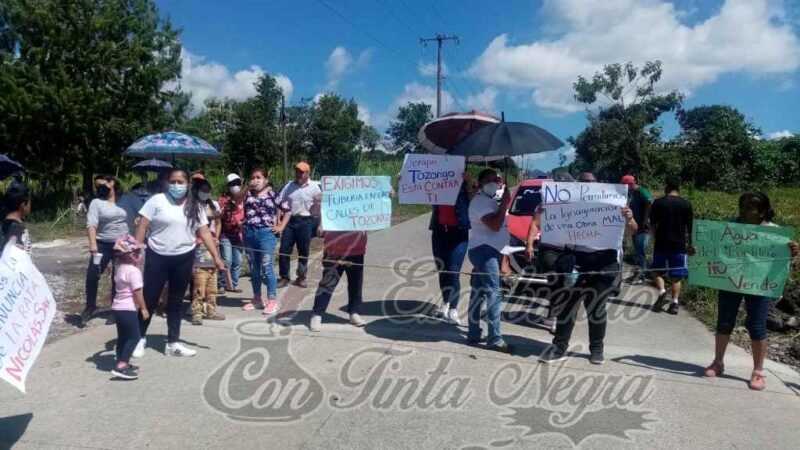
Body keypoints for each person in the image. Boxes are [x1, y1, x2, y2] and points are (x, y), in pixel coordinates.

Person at [539, 171, 639, 365]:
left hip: (603, 261)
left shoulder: (613, 202)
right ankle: (559, 347)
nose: (588, 184)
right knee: (568, 305)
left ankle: (596, 349)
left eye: (591, 181)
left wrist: (629, 217)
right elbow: (550, 225)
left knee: (597, 308)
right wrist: (546, 212)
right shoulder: (567, 202)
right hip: (576, 260)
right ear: (577, 184)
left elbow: (632, 230)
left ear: (598, 183)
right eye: (584, 181)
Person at [702, 192, 799, 391]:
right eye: (742, 206)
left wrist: (793, 252)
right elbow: (712, 248)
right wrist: (697, 251)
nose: (743, 211)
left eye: (749, 207)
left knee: (757, 324)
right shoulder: (730, 226)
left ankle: (758, 372)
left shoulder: (775, 233)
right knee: (724, 321)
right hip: (731, 281)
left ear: (762, 211)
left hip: (759, 285)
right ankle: (718, 362)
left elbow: (782, 261)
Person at [133, 169, 224, 358]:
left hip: (183, 257)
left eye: (180, 181)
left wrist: (216, 256)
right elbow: (142, 226)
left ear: (188, 184)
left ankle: (173, 342)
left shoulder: (195, 206)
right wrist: (135, 250)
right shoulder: (156, 201)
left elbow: (205, 232)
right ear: (167, 183)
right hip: (157, 256)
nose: (177, 185)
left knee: (176, 301)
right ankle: (139, 337)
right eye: (173, 181)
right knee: (149, 298)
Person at [230, 168, 290, 315]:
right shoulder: (248, 193)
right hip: (249, 233)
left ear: (266, 179)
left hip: (266, 234)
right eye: (253, 177)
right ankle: (257, 298)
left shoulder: (273, 195)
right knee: (253, 268)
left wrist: (281, 225)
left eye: (259, 177)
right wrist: (247, 188)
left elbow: (288, 210)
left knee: (266, 266)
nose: (256, 180)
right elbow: (237, 200)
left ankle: (272, 300)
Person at [466, 169, 513, 353]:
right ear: (480, 182)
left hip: (488, 250)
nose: (493, 183)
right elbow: (494, 226)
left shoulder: (489, 200)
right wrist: (504, 205)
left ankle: (473, 332)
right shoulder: (480, 201)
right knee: (494, 292)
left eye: (496, 179)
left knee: (477, 293)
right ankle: (495, 339)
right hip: (484, 252)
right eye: (488, 180)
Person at [308, 190, 367, 331]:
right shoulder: (330, 202)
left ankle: (354, 312)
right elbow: (313, 212)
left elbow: (379, 210)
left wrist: (385, 197)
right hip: (334, 250)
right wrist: (318, 201)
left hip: (357, 249)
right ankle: (317, 314)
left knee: (355, 284)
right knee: (328, 282)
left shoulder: (364, 201)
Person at [81, 174, 129, 322]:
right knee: (93, 275)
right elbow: (91, 224)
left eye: (103, 185)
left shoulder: (125, 201)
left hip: (122, 243)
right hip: (102, 243)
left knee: (118, 277)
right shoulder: (96, 202)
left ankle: (115, 309)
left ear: (112, 183)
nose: (100, 188)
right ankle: (90, 307)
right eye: (98, 186)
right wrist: (93, 244)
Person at [430, 172, 475, 325]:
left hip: (459, 232)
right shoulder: (434, 182)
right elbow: (418, 193)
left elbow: (473, 199)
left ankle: (453, 309)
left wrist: (468, 183)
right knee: (442, 269)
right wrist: (405, 182)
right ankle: (446, 302)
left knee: (454, 270)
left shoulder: (464, 185)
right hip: (439, 231)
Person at [650, 176, 693, 315]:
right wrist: (690, 244)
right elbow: (690, 227)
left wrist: (654, 240)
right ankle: (674, 303)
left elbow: (652, 225)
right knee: (677, 275)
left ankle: (663, 293)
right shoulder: (686, 204)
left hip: (661, 243)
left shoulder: (658, 203)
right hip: (679, 245)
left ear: (666, 186)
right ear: (678, 188)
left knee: (656, 270)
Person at [278, 162, 321, 289]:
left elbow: (320, 209)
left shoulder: (314, 187)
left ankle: (301, 277)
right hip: (289, 221)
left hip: (306, 222)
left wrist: (320, 225)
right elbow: (280, 202)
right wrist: (278, 221)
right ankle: (284, 277)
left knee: (304, 251)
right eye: (297, 171)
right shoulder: (289, 186)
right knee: (284, 250)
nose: (298, 174)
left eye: (301, 172)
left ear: (307, 173)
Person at [109, 235, 147, 380]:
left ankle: (120, 360)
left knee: (123, 337)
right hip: (128, 308)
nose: (139, 254)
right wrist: (143, 308)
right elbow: (137, 291)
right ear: (130, 255)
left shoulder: (119, 268)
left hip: (117, 308)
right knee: (134, 337)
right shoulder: (133, 271)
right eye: (137, 252)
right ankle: (122, 365)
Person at [621, 175, 653, 285]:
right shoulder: (632, 193)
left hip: (643, 226)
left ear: (629, 184)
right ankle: (637, 274)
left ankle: (641, 277)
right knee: (637, 251)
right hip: (636, 226)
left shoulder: (641, 191)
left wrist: (646, 218)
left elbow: (650, 201)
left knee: (640, 250)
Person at [217, 173, 245, 292]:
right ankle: (222, 283)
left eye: (237, 183)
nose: (235, 186)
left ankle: (234, 283)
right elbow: (219, 216)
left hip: (239, 234)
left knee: (238, 260)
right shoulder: (223, 200)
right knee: (227, 259)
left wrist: (243, 222)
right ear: (228, 186)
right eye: (233, 184)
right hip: (225, 233)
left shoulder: (245, 199)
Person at [1, 181, 32, 255]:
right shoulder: (17, 229)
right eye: (29, 202)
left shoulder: (4, 224)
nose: (30, 205)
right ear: (23, 205)